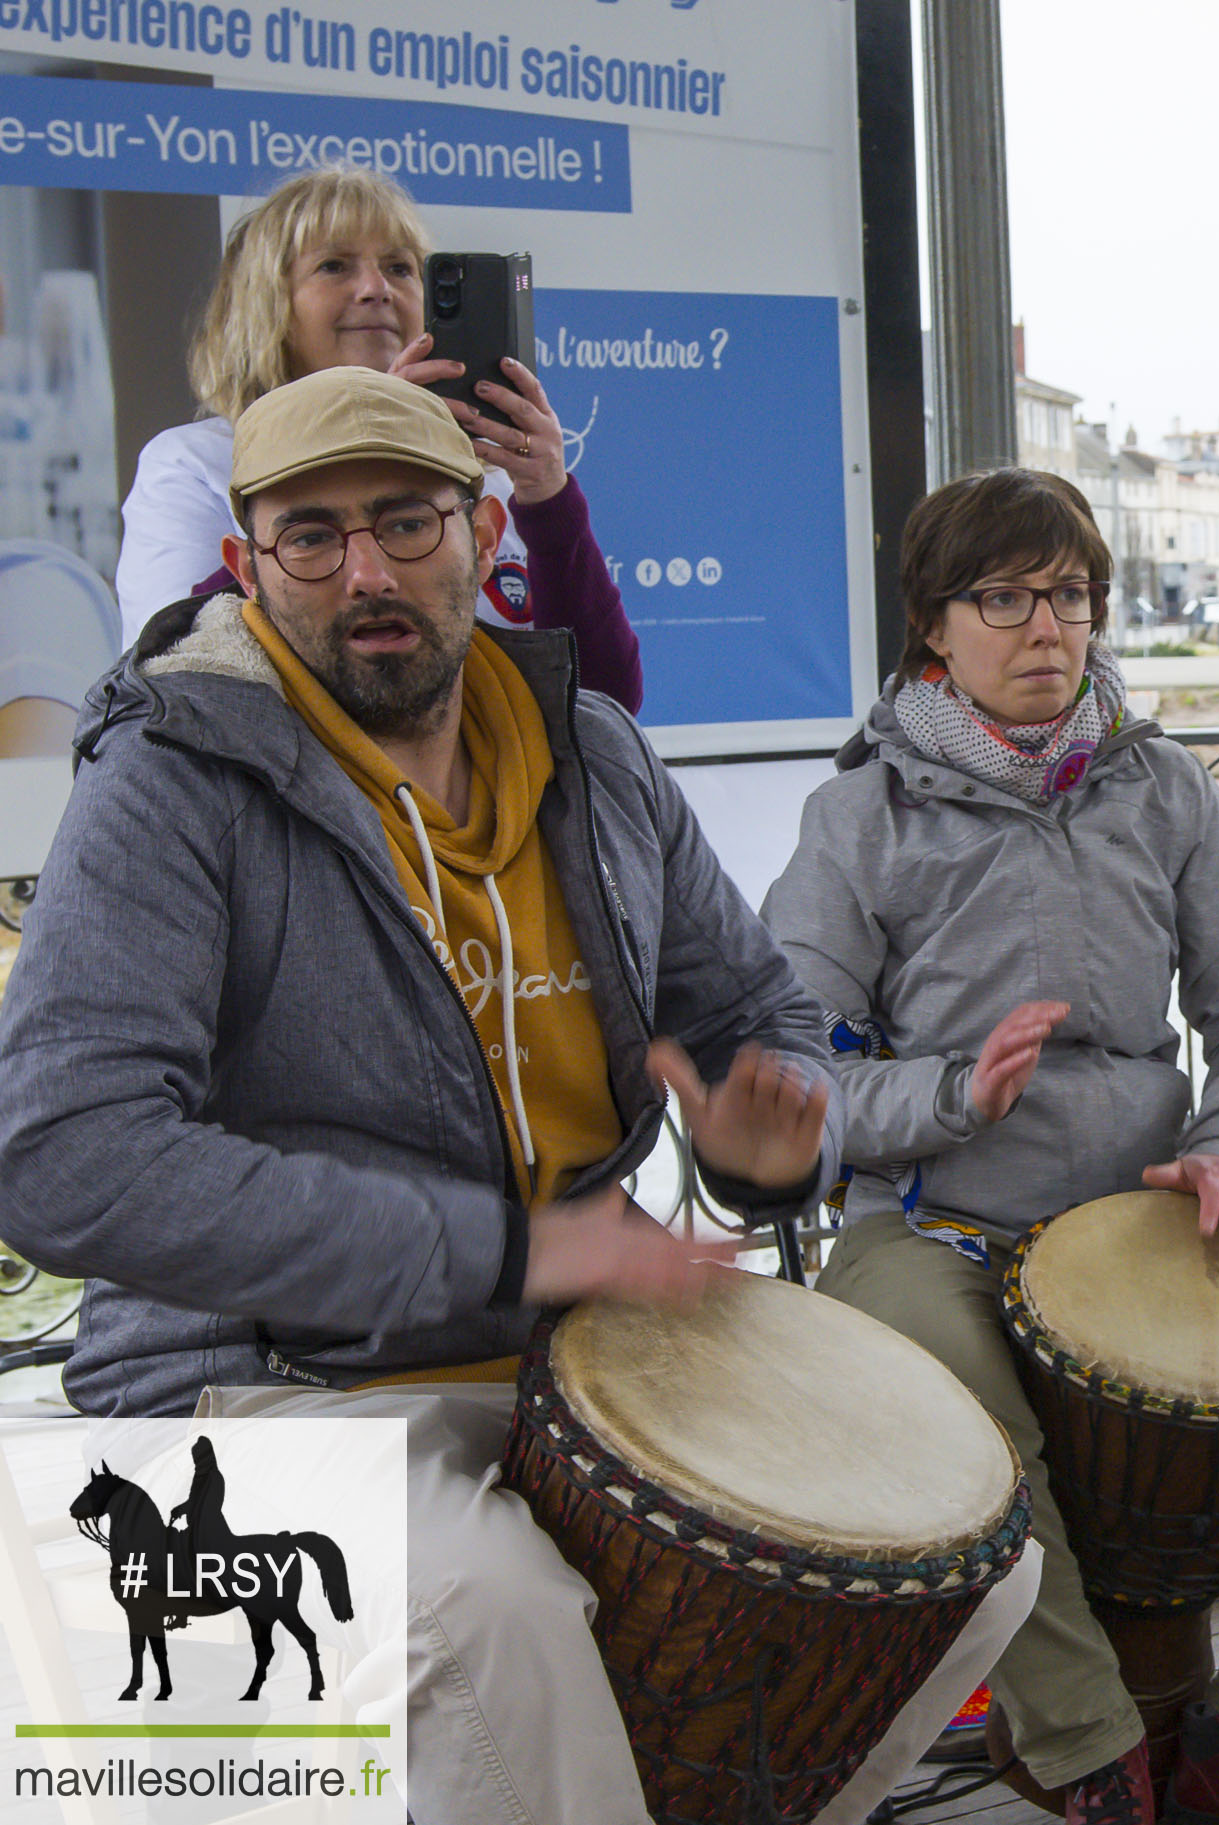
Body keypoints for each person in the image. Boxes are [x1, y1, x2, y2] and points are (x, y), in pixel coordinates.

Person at [0, 365, 1029, 1820]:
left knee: (958, 1557)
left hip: (568, 1360)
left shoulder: (589, 754)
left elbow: (752, 1013)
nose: (366, 569)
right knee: (493, 1621)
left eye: (407, 521)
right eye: (312, 534)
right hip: (250, 1388)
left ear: (485, 534)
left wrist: (764, 1131)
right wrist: (506, 1249)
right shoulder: (170, 775)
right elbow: (64, 1156)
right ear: (247, 565)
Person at [760, 466, 1219, 1825]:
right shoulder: (860, 817)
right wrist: (955, 1094)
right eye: (1006, 599)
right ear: (934, 627)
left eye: (1070, 598)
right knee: (967, 1388)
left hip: (1151, 1218)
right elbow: (800, 1071)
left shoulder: (1164, 788)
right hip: (937, 1225)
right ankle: (1093, 1757)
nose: (1047, 630)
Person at [114, 166, 642, 713]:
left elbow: (604, 704)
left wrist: (549, 500)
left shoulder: (483, 472)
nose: (375, 289)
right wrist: (355, 428)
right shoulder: (191, 463)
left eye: (399, 268)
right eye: (334, 266)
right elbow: (171, 675)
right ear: (266, 305)